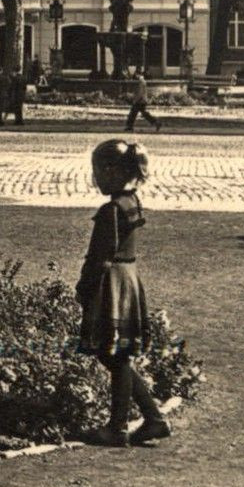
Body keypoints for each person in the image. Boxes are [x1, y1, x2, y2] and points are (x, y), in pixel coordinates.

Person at [75, 139, 171, 446]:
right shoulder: (132, 201)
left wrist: (85, 287)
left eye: (100, 171)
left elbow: (98, 255)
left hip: (111, 281)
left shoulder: (111, 210)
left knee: (112, 353)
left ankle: (117, 428)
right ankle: (153, 418)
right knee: (120, 354)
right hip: (127, 278)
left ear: (113, 171)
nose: (97, 178)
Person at [125, 68, 161, 132]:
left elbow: (140, 93)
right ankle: (156, 122)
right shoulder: (142, 81)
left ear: (138, 74)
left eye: (136, 74)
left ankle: (129, 126)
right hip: (142, 100)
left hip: (140, 101)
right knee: (143, 114)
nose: (135, 76)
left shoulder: (141, 82)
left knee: (133, 113)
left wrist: (135, 100)